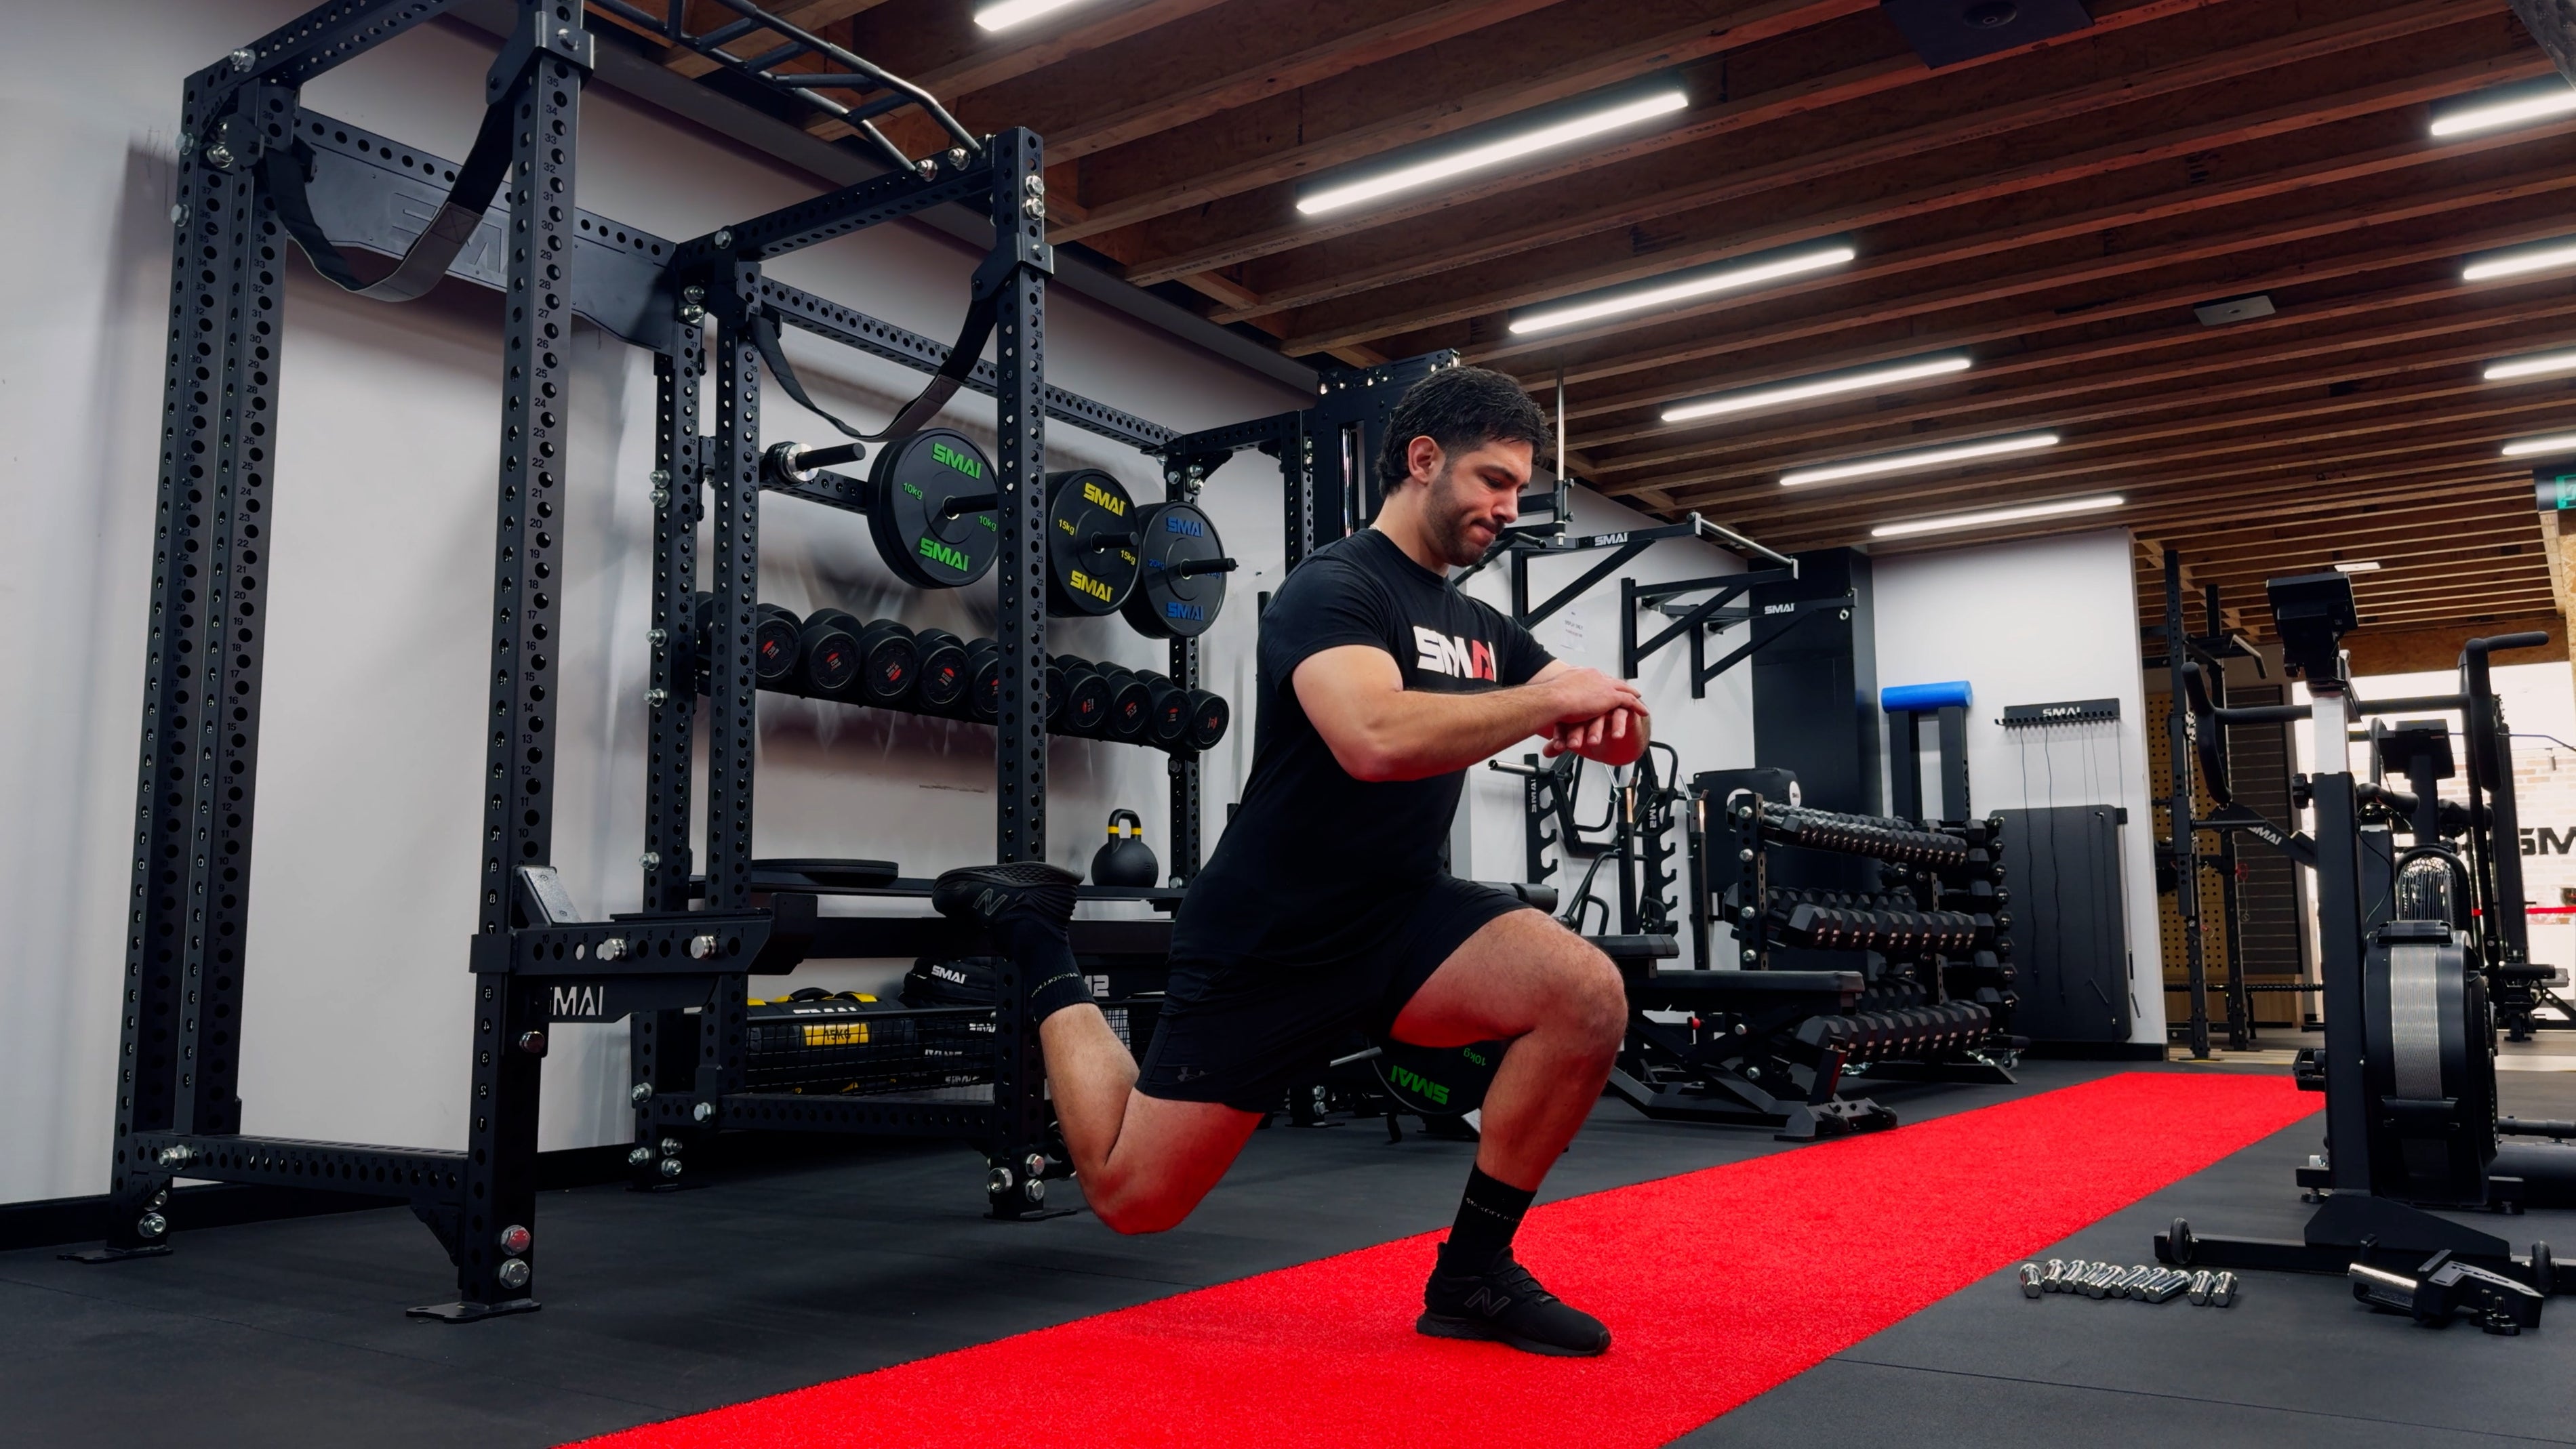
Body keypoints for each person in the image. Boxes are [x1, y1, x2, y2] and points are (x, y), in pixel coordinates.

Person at [934, 365, 1649, 1357]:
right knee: (1131, 1195)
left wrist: (1613, 727)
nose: (1507, 507)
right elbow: (1371, 734)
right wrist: (1548, 702)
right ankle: (1036, 937)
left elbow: (1592, 715)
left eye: (1518, 488)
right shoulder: (1335, 586)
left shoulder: (1481, 629)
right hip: (1270, 936)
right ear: (1424, 460)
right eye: (1493, 480)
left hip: (1401, 917)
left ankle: (1474, 1272)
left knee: (1586, 994)